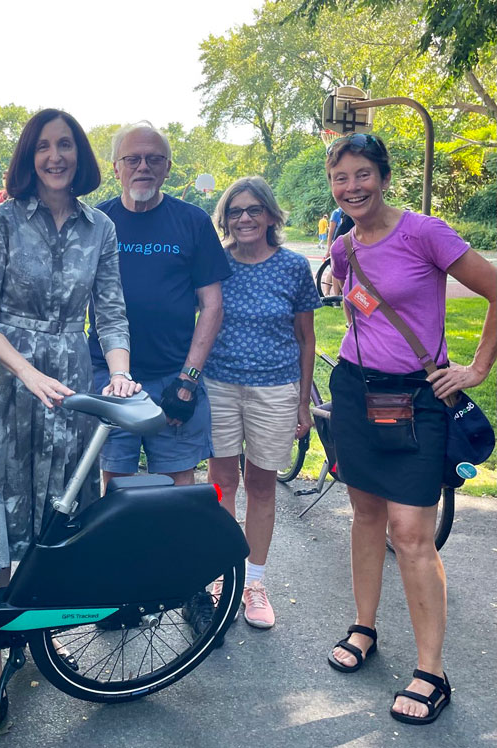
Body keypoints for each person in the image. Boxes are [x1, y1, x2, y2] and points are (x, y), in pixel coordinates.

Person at [0, 109, 137, 729]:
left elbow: (110, 311)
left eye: (65, 146)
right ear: (30, 157)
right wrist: (25, 371)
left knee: (50, 514)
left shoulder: (101, 226)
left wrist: (117, 370)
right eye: (43, 147)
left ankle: (18, 641)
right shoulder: (3, 218)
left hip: (69, 387)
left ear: (80, 156)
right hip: (5, 381)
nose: (55, 156)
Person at [324, 133, 496, 725]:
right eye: (340, 177)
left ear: (384, 175)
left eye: (362, 174)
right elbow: (351, 303)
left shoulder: (425, 232)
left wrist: (476, 368)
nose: (352, 187)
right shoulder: (343, 246)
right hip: (354, 390)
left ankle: (432, 671)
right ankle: (364, 626)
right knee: (367, 515)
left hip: (417, 397)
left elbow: (496, 288)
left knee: (412, 532)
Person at [87, 122, 229, 636]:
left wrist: (188, 380)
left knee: (179, 491)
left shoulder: (191, 222)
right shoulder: (97, 218)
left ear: (169, 166)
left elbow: (212, 305)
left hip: (175, 374)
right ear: (117, 166)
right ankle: (121, 590)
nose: (143, 167)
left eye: (154, 158)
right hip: (110, 376)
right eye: (133, 158)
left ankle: (188, 589)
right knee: (117, 489)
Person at [205, 177, 322, 629]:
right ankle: (220, 575)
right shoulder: (215, 264)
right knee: (220, 482)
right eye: (235, 211)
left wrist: (303, 403)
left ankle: (254, 584)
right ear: (225, 218)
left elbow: (306, 338)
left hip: (275, 390)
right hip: (219, 385)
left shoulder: (293, 267)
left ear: (272, 215)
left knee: (261, 485)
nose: (245, 218)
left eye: (254, 210)